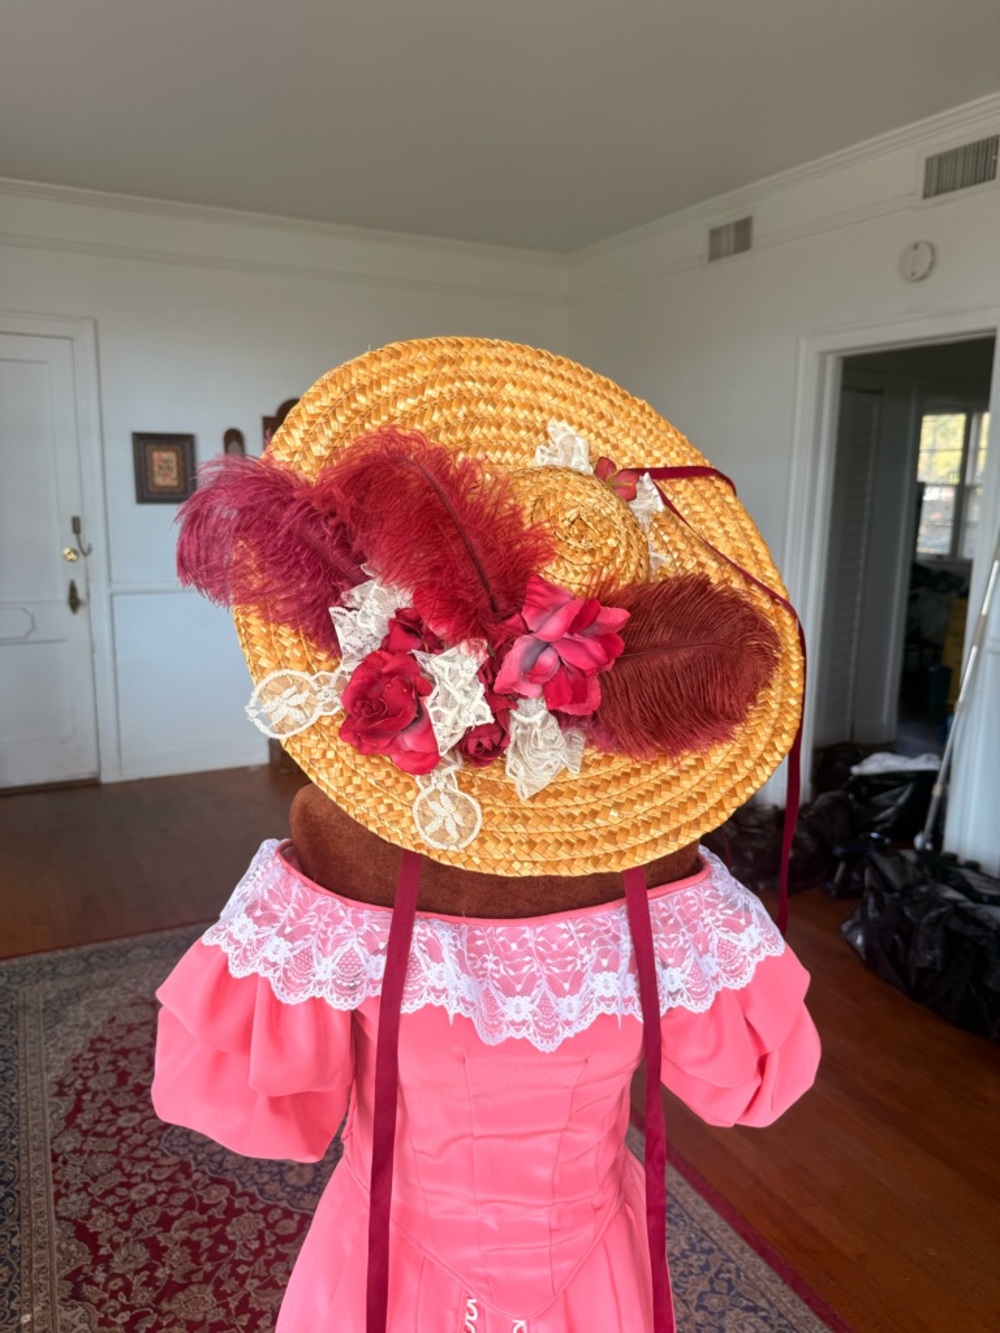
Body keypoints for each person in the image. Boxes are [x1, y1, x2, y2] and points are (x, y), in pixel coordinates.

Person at [152, 337, 820, 1332]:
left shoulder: (337, 854)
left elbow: (257, 1109)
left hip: (382, 1274)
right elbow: (747, 1085)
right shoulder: (668, 875)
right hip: (596, 1273)